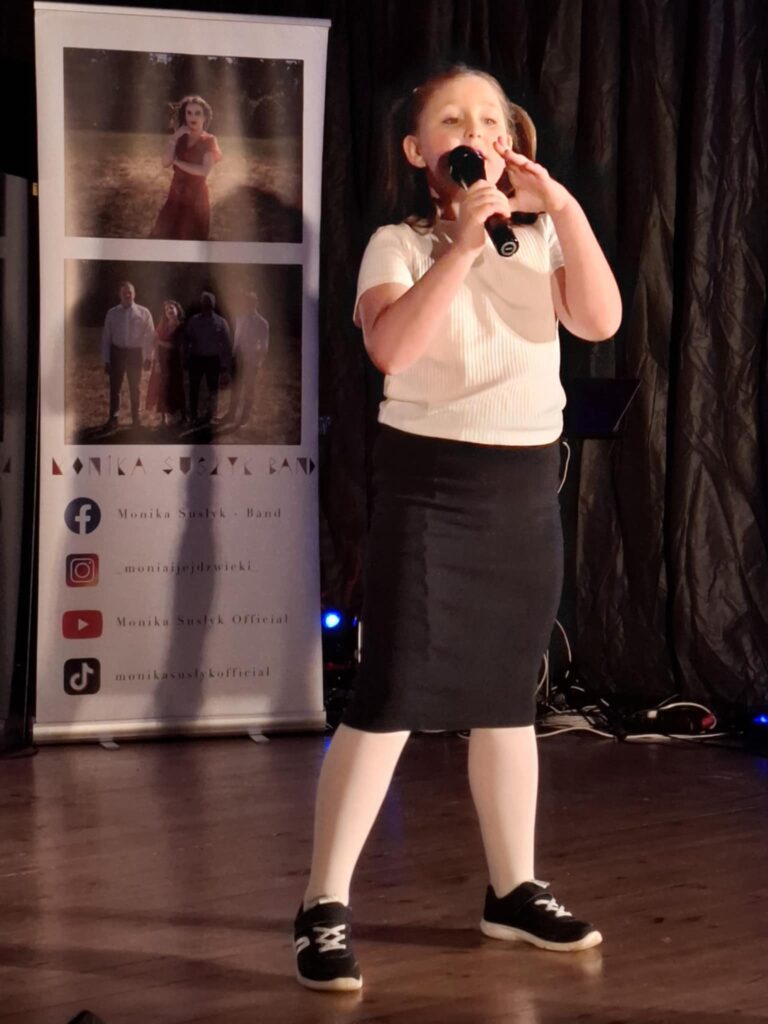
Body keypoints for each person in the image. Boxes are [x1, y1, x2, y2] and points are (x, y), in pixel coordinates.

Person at [293, 64, 622, 992]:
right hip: (431, 486)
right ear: (418, 150)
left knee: (508, 698)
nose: (476, 130)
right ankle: (322, 905)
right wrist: (463, 245)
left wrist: (562, 208)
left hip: (523, 486)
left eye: (490, 118)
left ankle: (512, 890)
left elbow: (600, 320)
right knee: (390, 694)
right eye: (453, 120)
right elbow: (391, 347)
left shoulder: (541, 237)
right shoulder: (396, 243)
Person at [150, 95, 222, 241]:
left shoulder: (209, 140)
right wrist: (174, 138)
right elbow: (165, 163)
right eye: (189, 113)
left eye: (197, 113)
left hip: (196, 200)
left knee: (189, 241)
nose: (192, 117)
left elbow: (203, 171)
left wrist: (178, 163)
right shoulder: (180, 137)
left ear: (204, 117)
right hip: (175, 196)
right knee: (162, 239)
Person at [101, 281, 154, 429]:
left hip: (135, 354)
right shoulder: (112, 313)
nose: (127, 295)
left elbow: (149, 336)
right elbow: (106, 337)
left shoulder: (144, 313)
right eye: (124, 292)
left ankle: (136, 419)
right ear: (120, 294)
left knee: (135, 387)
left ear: (134, 294)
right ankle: (113, 418)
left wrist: (148, 357)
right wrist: (106, 360)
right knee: (115, 387)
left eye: (129, 292)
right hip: (117, 353)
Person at [223, 290, 270, 428]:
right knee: (236, 388)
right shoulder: (240, 318)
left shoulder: (262, 323)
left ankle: (244, 418)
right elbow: (237, 339)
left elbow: (264, 345)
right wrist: (233, 355)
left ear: (256, 303)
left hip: (251, 361)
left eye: (251, 301)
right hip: (238, 359)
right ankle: (231, 415)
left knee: (249, 389)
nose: (248, 304)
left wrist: (258, 362)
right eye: (246, 302)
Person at [184, 291, 232, 423]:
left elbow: (226, 344)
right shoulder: (194, 321)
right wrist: (186, 357)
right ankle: (193, 415)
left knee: (213, 389)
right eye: (204, 302)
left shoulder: (221, 322)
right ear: (201, 304)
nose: (207, 305)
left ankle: (211, 415)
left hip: (213, 360)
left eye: (209, 302)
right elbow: (187, 340)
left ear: (213, 304)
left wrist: (224, 364)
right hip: (196, 358)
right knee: (194, 388)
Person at [145, 299, 187, 426]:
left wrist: (160, 342)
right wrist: (157, 362)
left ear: (177, 310)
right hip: (162, 362)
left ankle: (183, 416)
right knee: (162, 389)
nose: (169, 310)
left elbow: (175, 345)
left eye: (171, 307)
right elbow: (155, 344)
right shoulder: (162, 325)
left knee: (177, 388)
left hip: (176, 361)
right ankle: (164, 418)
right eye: (167, 309)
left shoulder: (182, 327)